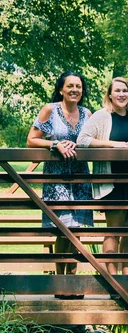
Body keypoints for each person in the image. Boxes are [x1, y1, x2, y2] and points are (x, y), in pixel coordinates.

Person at [26, 71, 93, 297]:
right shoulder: (50, 110)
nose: (75, 89)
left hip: (81, 178)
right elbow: (31, 140)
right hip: (56, 180)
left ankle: (71, 284)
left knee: (76, 232)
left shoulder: (87, 113)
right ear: (61, 89)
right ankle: (59, 283)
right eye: (70, 86)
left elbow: (92, 141)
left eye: (78, 86)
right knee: (61, 229)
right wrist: (55, 144)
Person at [77, 77, 128, 276]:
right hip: (112, 182)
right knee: (114, 230)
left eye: (125, 90)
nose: (122, 94)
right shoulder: (101, 116)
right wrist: (113, 144)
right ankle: (113, 279)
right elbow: (82, 140)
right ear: (110, 95)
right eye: (117, 91)